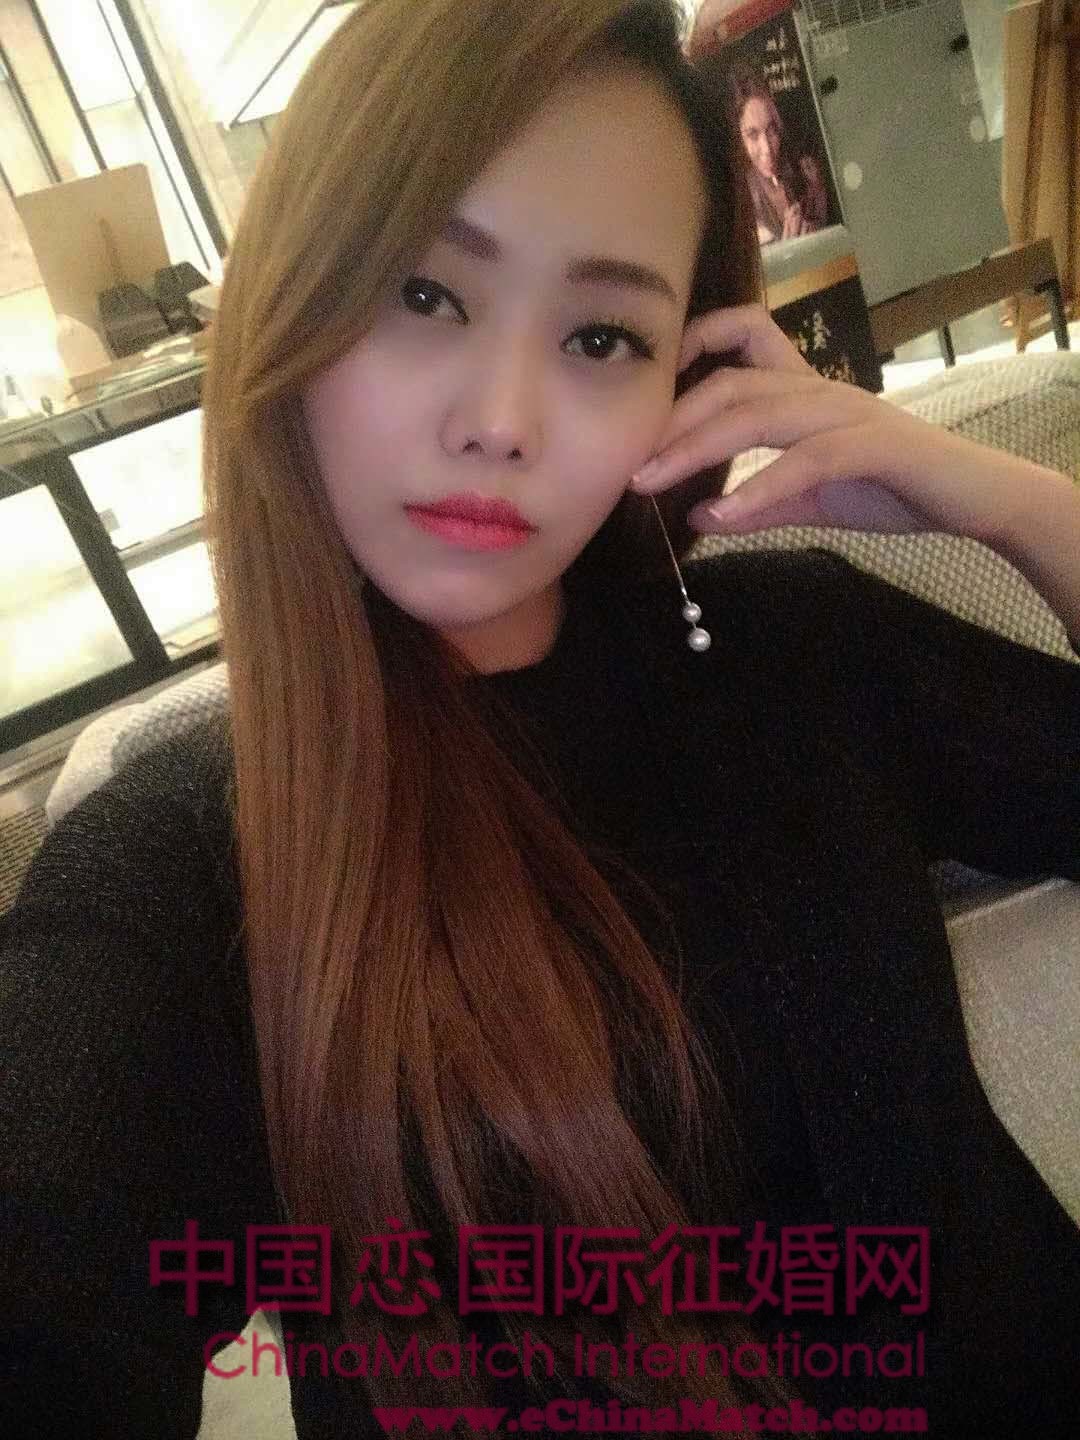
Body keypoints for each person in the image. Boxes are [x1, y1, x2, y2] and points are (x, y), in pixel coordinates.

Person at [2, 0, 1079, 1435]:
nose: (503, 418)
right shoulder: (186, 865)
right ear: (294, 307)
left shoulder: (799, 649)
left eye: (600, 334)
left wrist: (1009, 504)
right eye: (426, 294)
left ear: (685, 376)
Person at [729, 63, 829, 245]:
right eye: (753, 135)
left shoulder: (807, 174)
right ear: (739, 139)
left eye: (771, 130)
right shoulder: (741, 203)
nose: (767, 148)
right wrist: (788, 250)